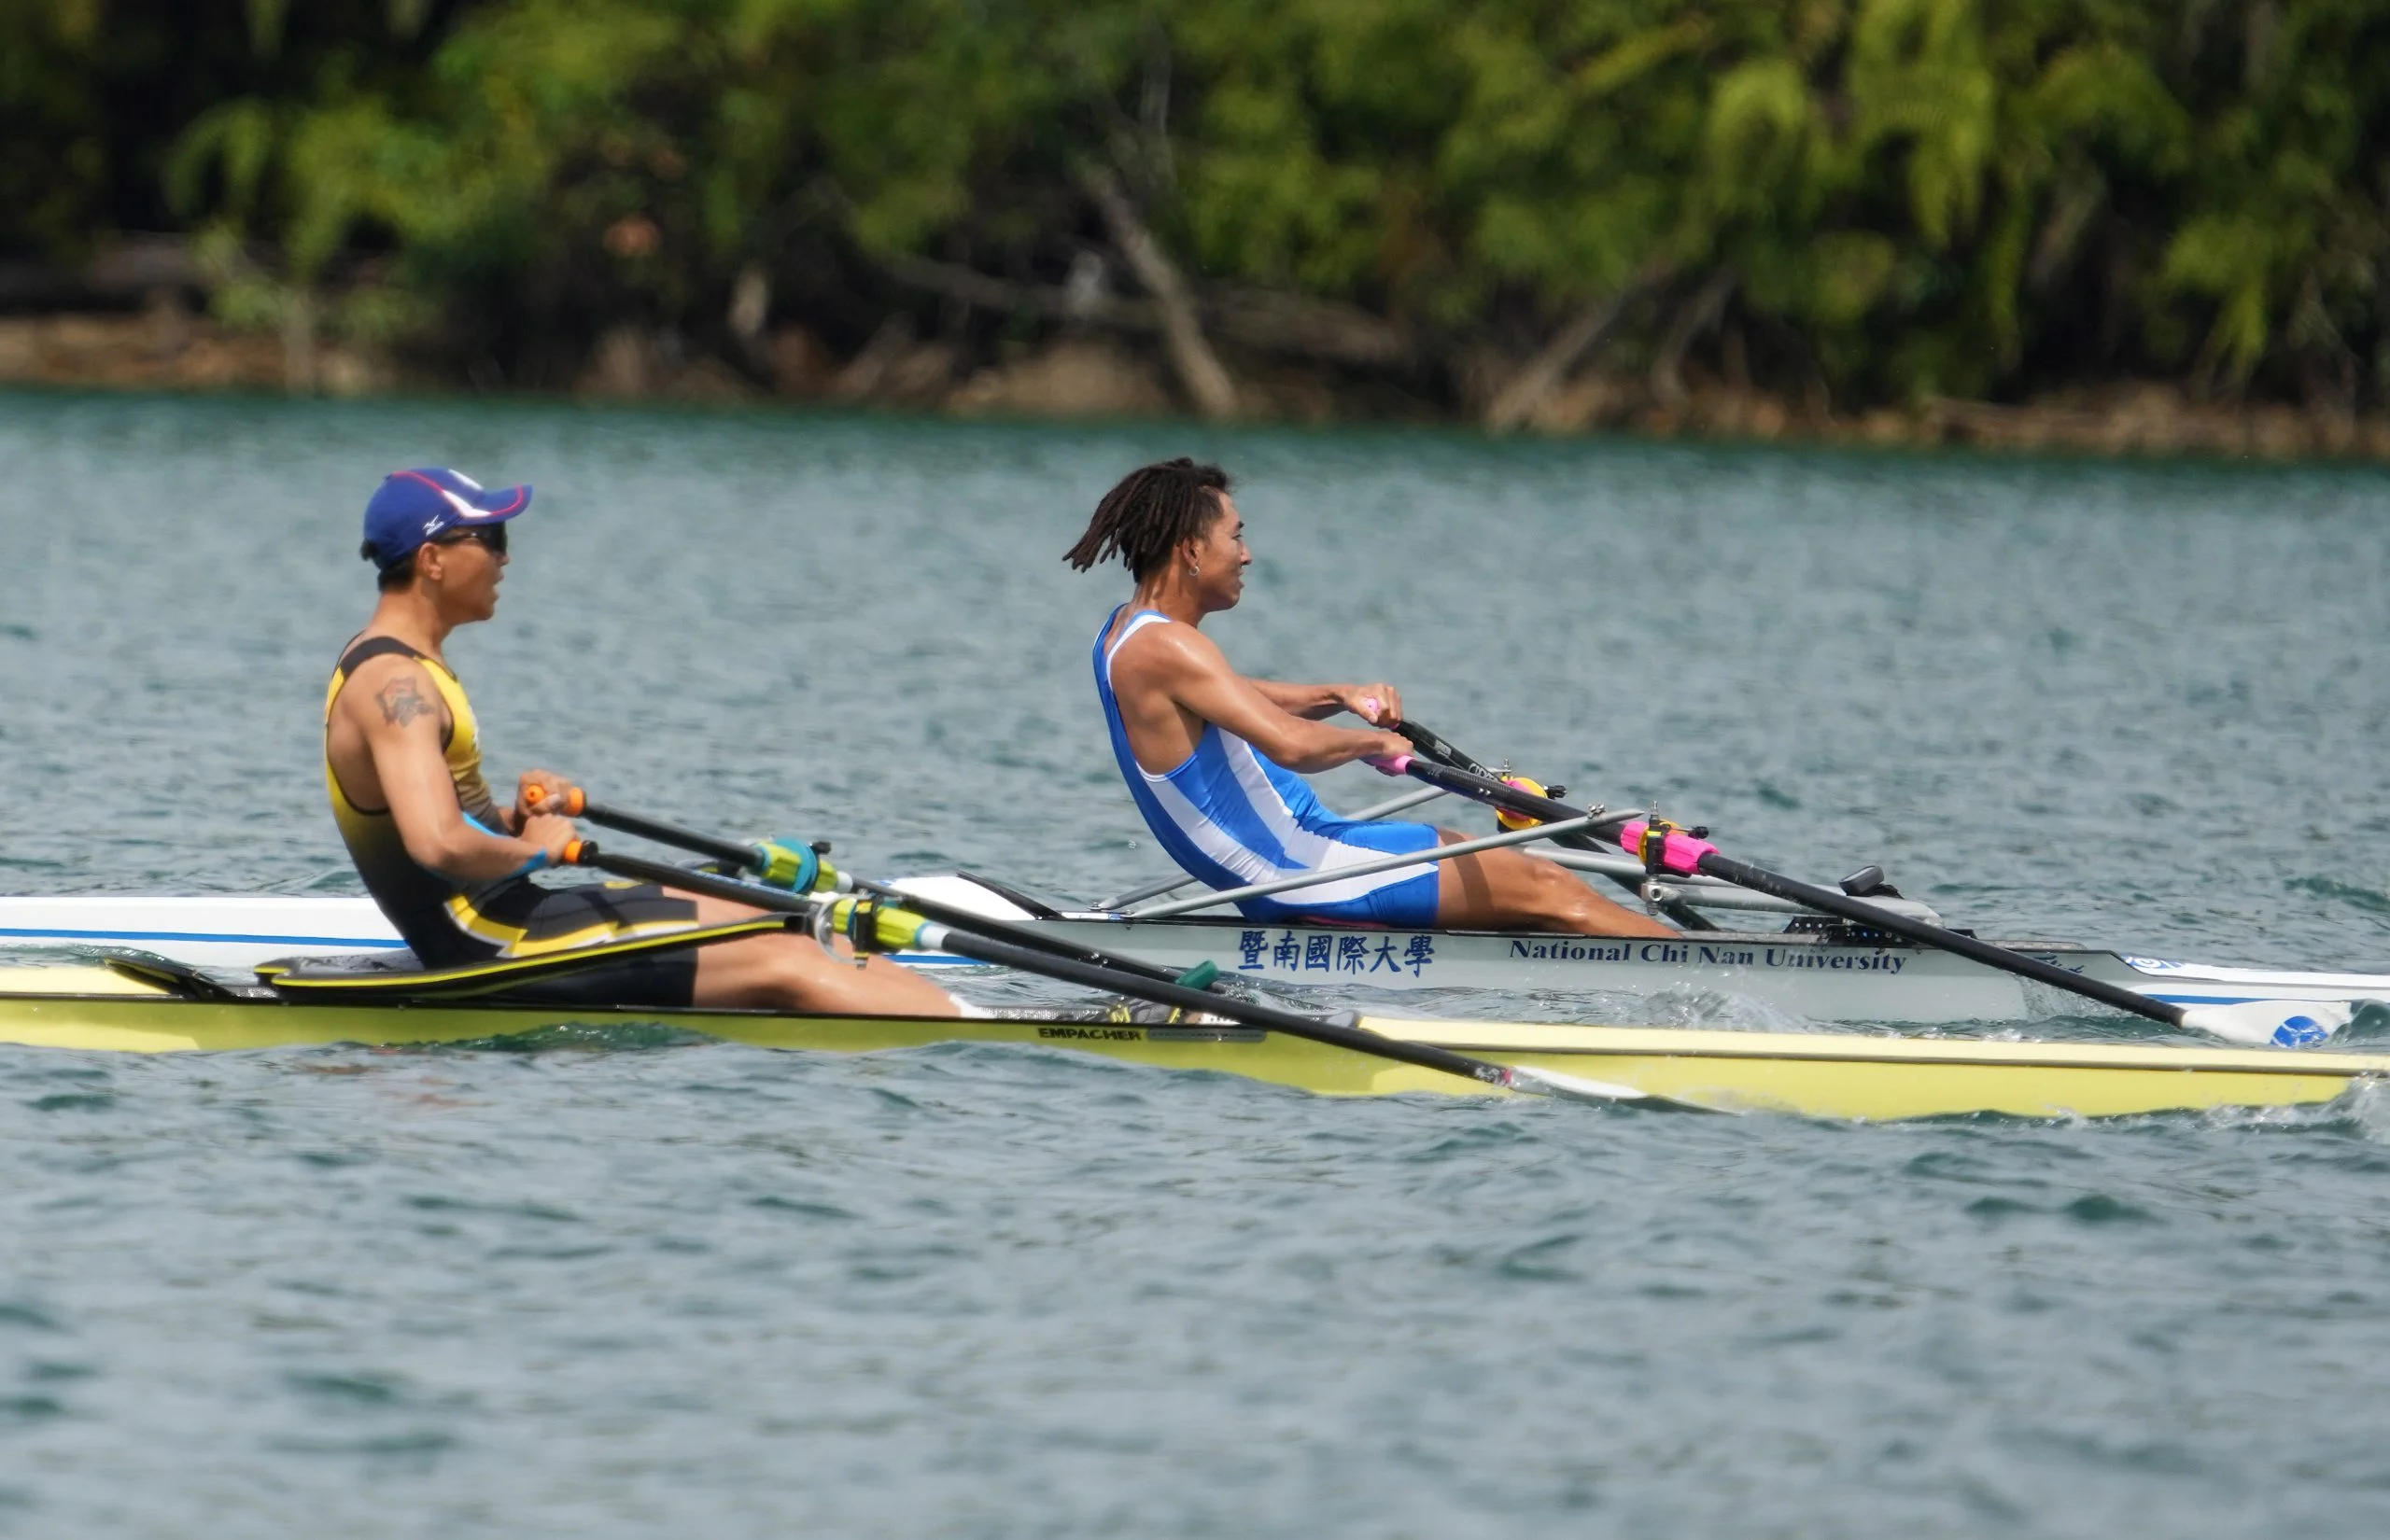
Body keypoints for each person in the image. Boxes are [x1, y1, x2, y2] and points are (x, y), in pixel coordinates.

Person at [323, 467, 960, 1015]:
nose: (505, 557)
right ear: (432, 560)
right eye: (490, 538)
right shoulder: (396, 686)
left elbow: (454, 826)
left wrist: (521, 821)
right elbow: (437, 845)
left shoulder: (407, 668)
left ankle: (954, 1011)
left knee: (772, 909)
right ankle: (970, 1035)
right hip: (485, 939)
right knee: (785, 953)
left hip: (512, 909)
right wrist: (536, 853)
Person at [1065, 457, 1674, 938]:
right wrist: (1372, 743)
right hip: (1292, 867)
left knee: (1503, 871)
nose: (1246, 554)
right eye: (1236, 537)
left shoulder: (1127, 632)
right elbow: (1289, 744)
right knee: (1548, 888)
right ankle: (1703, 975)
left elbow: (1235, 697)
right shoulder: (1171, 648)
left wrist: (1337, 693)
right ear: (1192, 551)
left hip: (1299, 849)